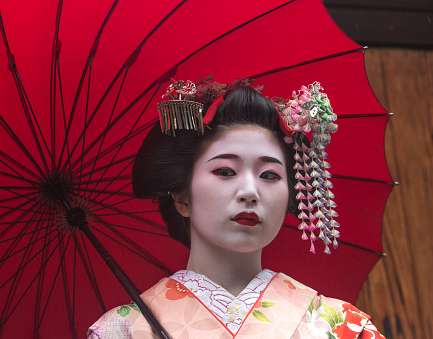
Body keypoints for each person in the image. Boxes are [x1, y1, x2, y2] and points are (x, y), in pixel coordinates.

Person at [87, 80, 385, 338]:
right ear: (182, 198)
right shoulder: (124, 331)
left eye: (269, 175)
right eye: (225, 172)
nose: (250, 192)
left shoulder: (341, 327)